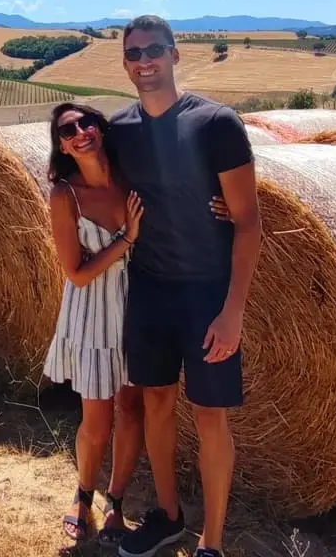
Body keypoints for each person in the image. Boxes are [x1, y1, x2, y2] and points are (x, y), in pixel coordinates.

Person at [41, 101, 234, 548]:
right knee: (97, 419)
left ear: (103, 129)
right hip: (92, 313)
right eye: (68, 130)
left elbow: (181, 185)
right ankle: (82, 494)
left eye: (87, 121)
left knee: (132, 409)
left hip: (141, 306)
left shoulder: (131, 177)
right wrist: (127, 237)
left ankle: (116, 501)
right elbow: (77, 273)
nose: (80, 131)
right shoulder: (63, 194)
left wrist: (222, 204)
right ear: (62, 146)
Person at [105, 15, 262, 557]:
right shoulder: (120, 129)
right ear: (124, 63)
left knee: (210, 414)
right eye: (133, 54)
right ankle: (169, 516)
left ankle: (212, 543)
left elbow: (249, 220)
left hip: (206, 294)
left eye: (152, 50)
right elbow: (87, 178)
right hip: (148, 289)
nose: (143, 61)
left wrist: (233, 311)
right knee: (155, 401)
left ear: (175, 55)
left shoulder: (216, 124)